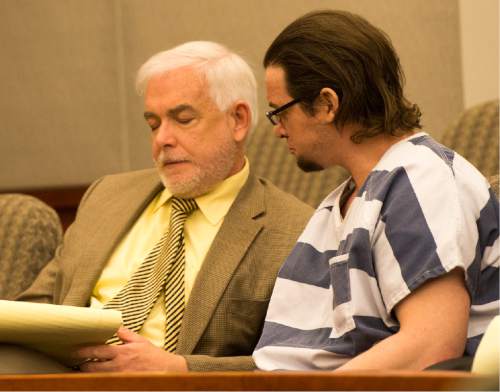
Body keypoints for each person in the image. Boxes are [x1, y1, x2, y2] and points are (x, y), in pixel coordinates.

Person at [13, 41, 313, 373]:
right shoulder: (107, 196)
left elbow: (296, 363)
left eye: (183, 119)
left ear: (238, 120)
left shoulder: (294, 229)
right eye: (154, 124)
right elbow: (36, 307)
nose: (162, 140)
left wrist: (180, 369)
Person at [252, 10, 499, 371]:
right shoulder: (344, 200)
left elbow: (432, 344)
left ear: (326, 104)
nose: (277, 130)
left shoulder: (421, 183)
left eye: (280, 112)